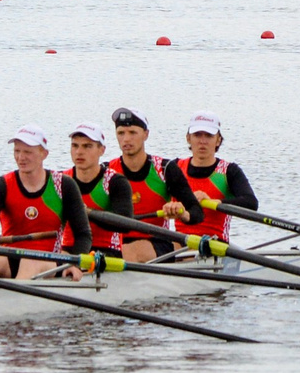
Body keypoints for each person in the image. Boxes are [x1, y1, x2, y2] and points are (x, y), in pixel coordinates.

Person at [0, 125, 91, 278]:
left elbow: (83, 234)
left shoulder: (63, 185)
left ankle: (17, 297)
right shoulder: (3, 185)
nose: (21, 157)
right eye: (17, 151)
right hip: (10, 256)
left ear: (44, 154)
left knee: (31, 261)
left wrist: (73, 262)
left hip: (49, 260)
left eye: (27, 152)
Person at [106, 107, 202, 264]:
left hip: (158, 241)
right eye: (121, 133)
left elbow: (196, 212)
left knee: (131, 251)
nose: (126, 139)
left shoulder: (165, 169)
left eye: (132, 133)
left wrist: (183, 213)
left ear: (146, 134)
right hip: (116, 244)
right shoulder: (106, 171)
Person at [179, 113, 258, 241]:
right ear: (188, 138)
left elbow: (251, 203)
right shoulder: (175, 167)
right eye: (197, 135)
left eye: (209, 136)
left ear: (218, 140)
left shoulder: (229, 171)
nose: (202, 141)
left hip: (215, 244)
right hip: (180, 241)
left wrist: (217, 202)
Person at [63, 122, 136, 257]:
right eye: (75, 146)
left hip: (106, 251)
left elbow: (125, 224)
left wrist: (87, 212)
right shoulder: (60, 180)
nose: (79, 152)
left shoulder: (115, 182)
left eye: (87, 146)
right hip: (67, 249)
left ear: (101, 150)